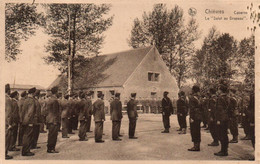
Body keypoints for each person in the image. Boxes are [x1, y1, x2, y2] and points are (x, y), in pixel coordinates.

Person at [214, 84, 229, 156]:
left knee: (221, 134)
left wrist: (218, 119)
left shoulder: (220, 98)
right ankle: (225, 150)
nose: (218, 91)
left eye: (219, 89)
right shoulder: (228, 97)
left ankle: (223, 151)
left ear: (221, 90)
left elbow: (219, 109)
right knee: (225, 134)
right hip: (226, 118)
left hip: (221, 118)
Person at [21, 87, 37, 156]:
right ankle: (26, 151)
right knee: (28, 136)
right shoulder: (31, 100)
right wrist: (30, 122)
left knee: (25, 135)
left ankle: (25, 150)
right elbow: (30, 112)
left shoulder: (26, 100)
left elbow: (23, 112)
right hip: (29, 121)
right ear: (33, 93)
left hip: (24, 120)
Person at [46, 86, 60, 153]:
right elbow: (55, 112)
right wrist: (55, 121)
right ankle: (51, 148)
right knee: (53, 135)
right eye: (58, 91)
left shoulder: (49, 99)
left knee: (50, 134)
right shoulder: (55, 100)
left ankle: (49, 148)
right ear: (56, 92)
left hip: (49, 119)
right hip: (53, 120)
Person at [188, 85, 202, 151]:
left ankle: (195, 146)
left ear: (193, 90)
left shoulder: (192, 98)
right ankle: (197, 145)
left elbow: (192, 109)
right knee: (198, 131)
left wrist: (191, 118)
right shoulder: (199, 98)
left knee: (194, 131)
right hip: (199, 116)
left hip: (194, 117)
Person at [5, 84, 13, 159]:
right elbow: (8, 113)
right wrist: (9, 123)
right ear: (8, 91)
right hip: (6, 122)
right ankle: (4, 153)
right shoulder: (7, 99)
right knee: (6, 138)